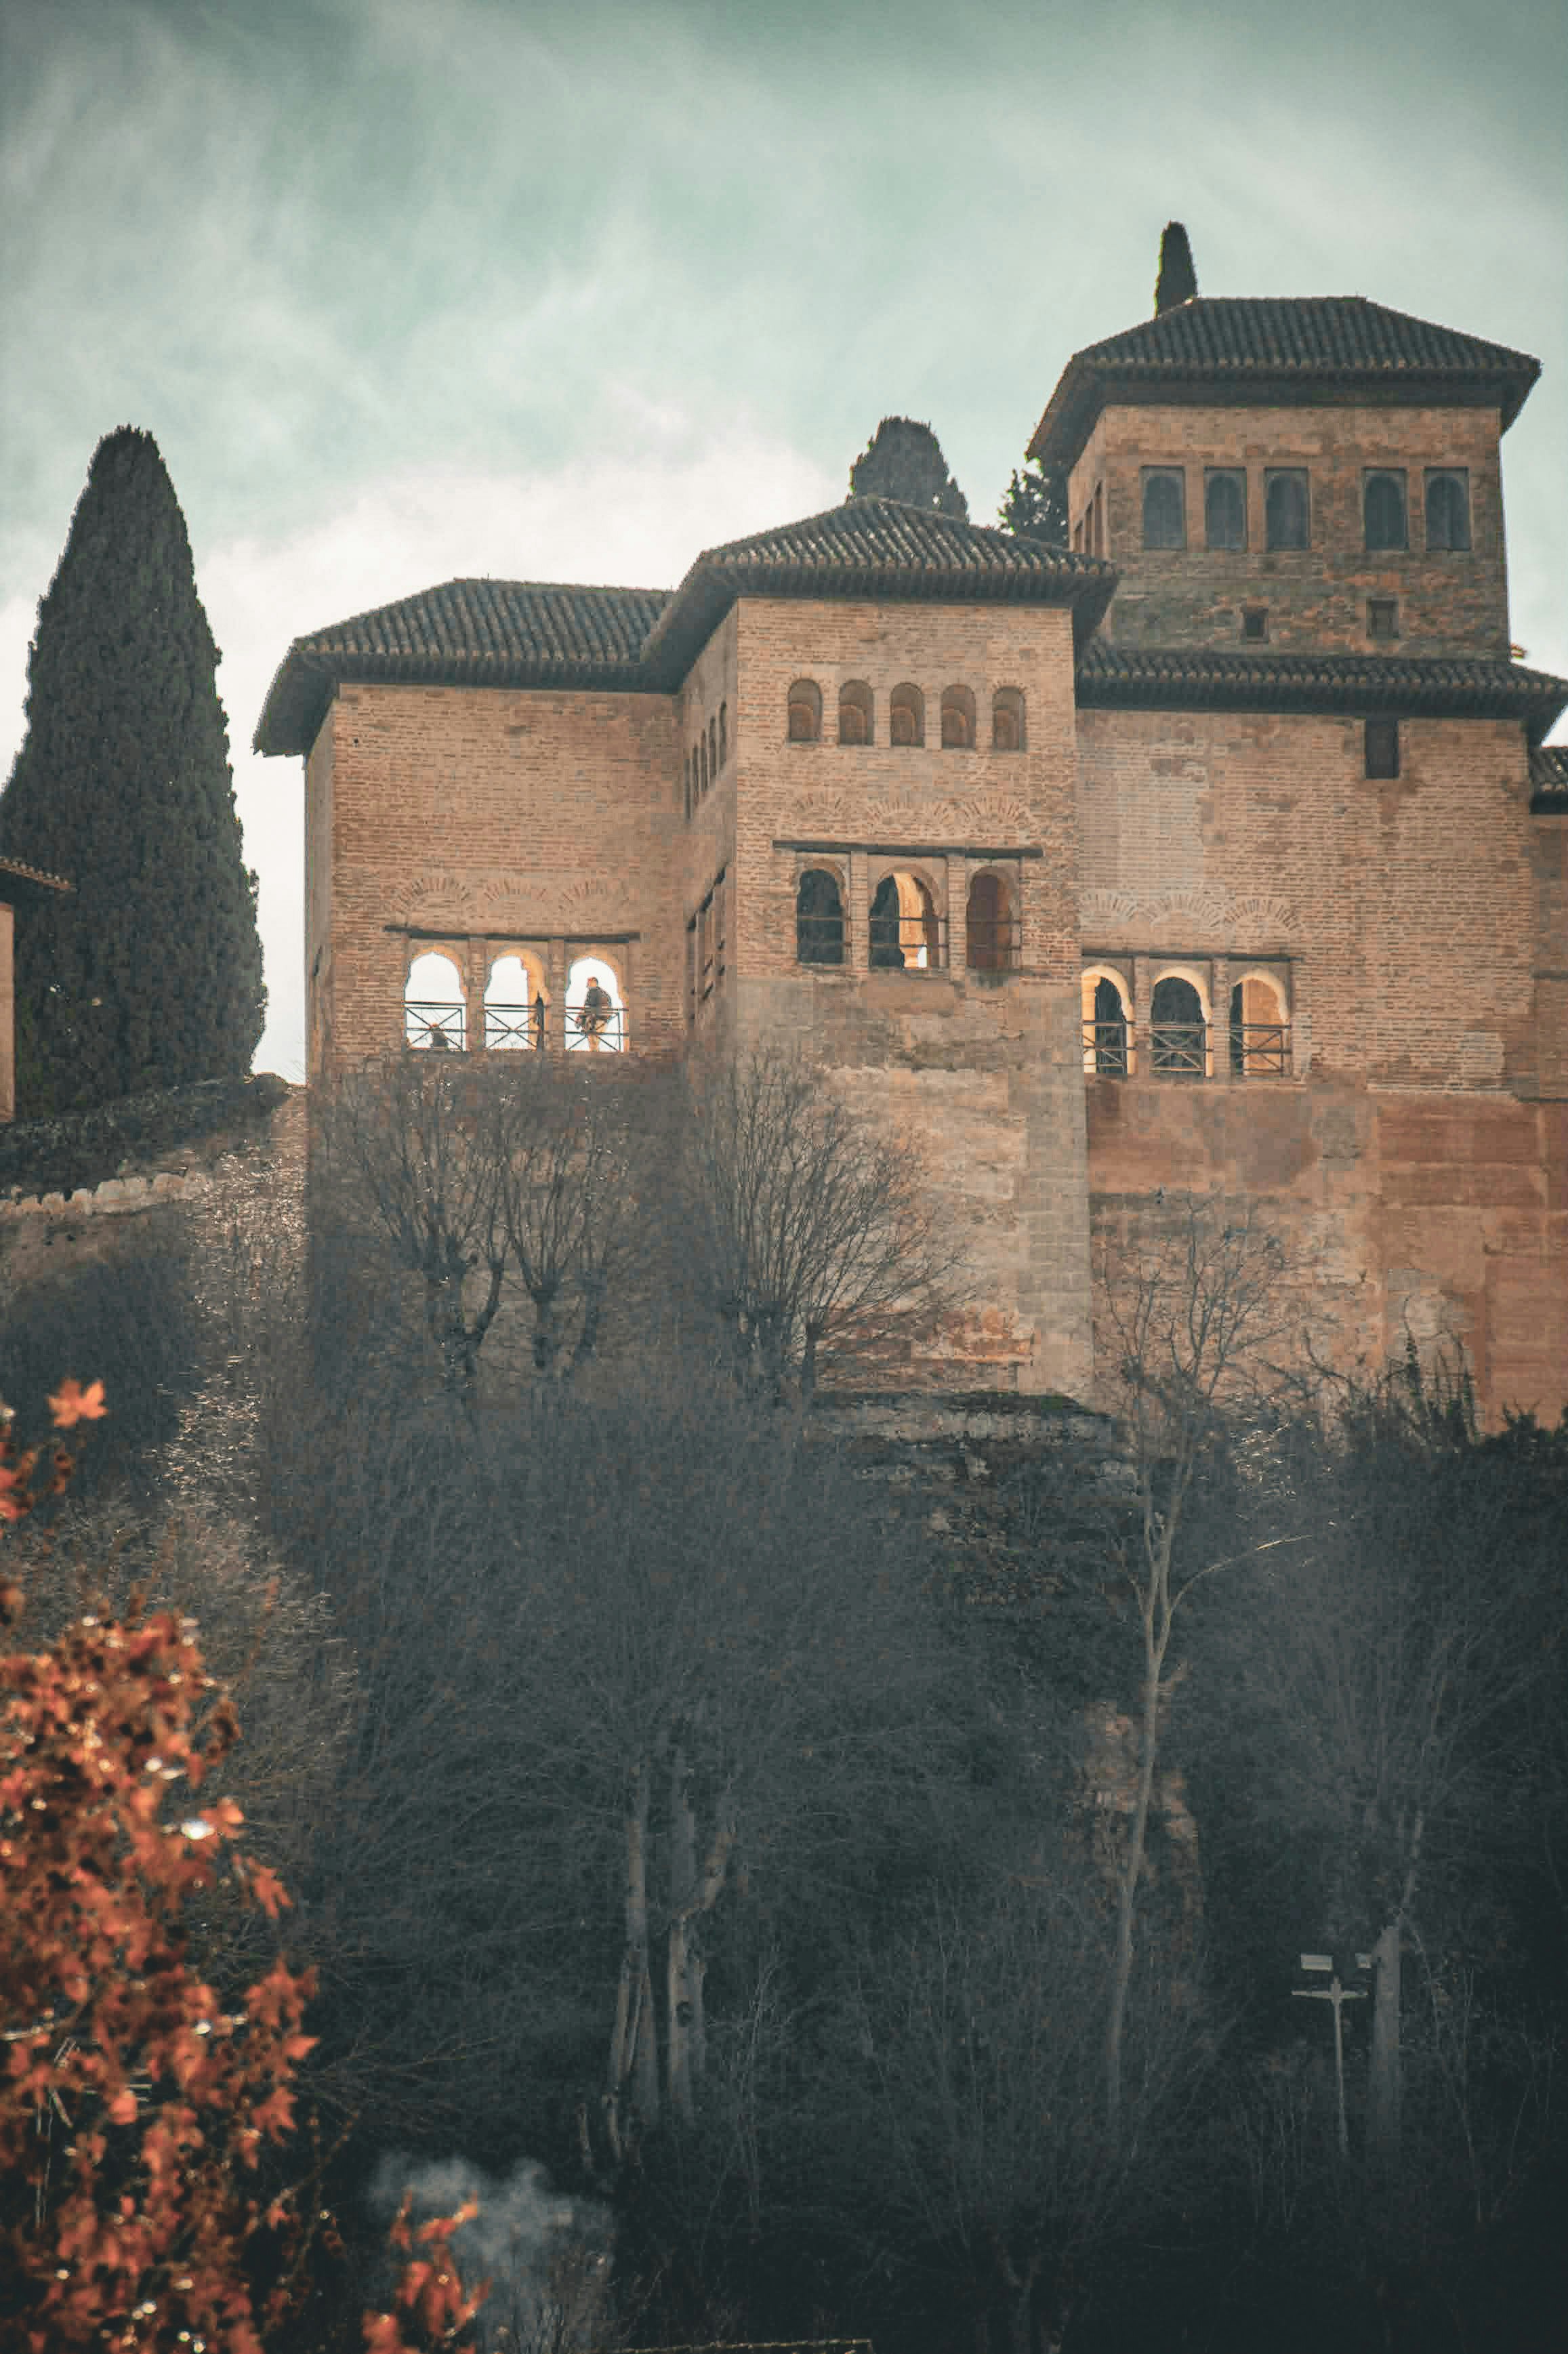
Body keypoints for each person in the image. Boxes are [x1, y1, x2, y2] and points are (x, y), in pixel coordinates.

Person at [577, 978, 614, 1049]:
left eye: (588, 984)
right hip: (604, 1021)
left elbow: (587, 1007)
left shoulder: (592, 992)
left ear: (594, 983)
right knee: (595, 1043)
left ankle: (595, 1058)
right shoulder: (604, 994)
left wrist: (579, 1020)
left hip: (595, 1021)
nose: (587, 986)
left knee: (593, 1043)